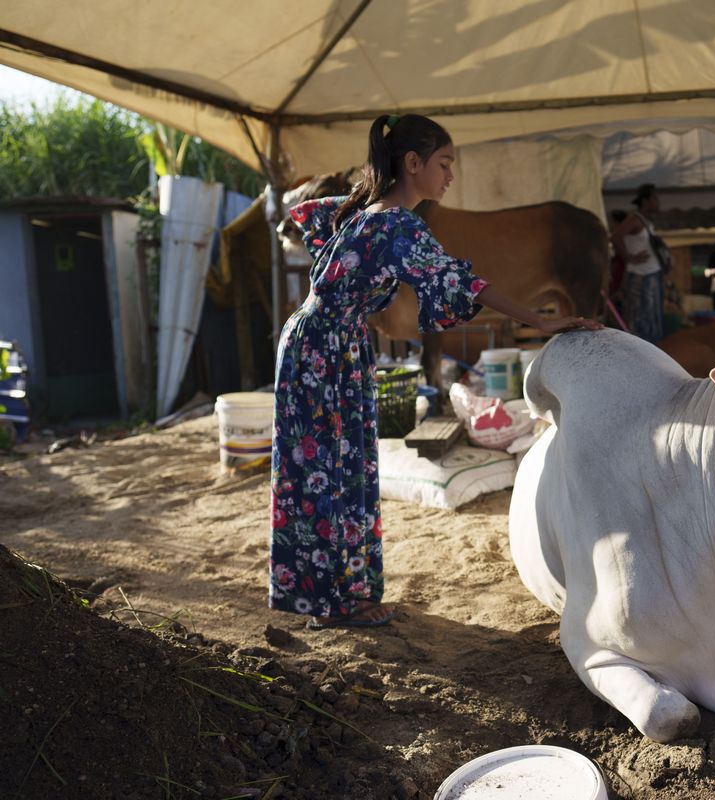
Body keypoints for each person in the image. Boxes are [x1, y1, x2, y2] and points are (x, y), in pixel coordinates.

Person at [270, 113, 600, 630]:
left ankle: (335, 596)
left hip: (324, 342)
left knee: (339, 467)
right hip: (326, 349)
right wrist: (538, 317)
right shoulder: (396, 222)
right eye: (444, 164)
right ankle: (336, 602)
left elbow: (307, 216)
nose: (450, 176)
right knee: (329, 469)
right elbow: (460, 281)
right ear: (413, 163)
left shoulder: (364, 209)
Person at [610, 184, 668, 341]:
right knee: (641, 322)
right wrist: (630, 257)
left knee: (652, 323)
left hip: (651, 277)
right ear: (645, 200)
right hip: (642, 278)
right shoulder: (635, 219)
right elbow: (616, 237)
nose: (658, 202)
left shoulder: (646, 222)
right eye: (655, 198)